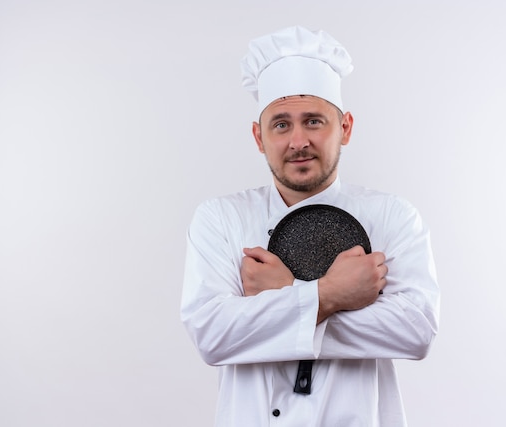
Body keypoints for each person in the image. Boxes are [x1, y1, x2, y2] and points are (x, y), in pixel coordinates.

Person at [181, 25, 440, 426]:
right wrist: (333, 293)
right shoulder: (220, 218)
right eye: (281, 124)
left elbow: (415, 330)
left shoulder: (393, 216)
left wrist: (286, 296)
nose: (298, 140)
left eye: (314, 121)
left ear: (345, 128)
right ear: (259, 137)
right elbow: (213, 336)